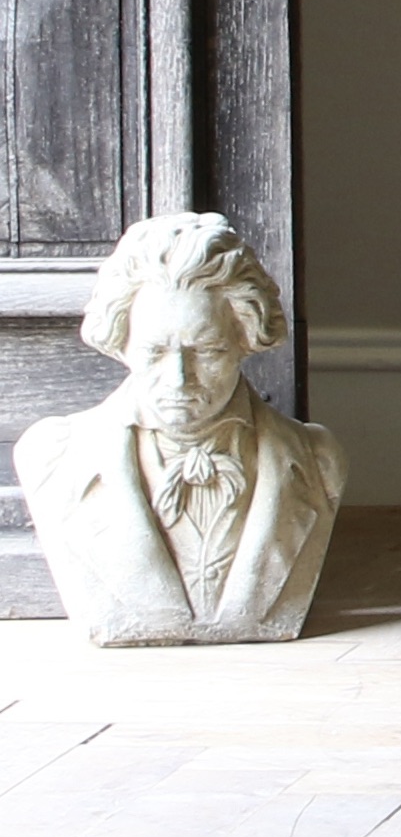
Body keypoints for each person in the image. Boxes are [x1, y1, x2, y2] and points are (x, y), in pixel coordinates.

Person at [13, 214, 345, 645]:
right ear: (120, 342)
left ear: (246, 340)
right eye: (154, 351)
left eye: (207, 351)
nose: (179, 379)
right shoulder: (52, 458)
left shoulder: (318, 461)